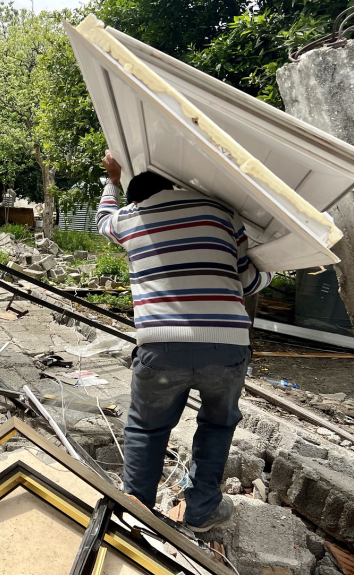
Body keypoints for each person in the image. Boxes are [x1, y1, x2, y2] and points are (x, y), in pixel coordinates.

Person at [97, 151, 272, 532]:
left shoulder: (129, 218)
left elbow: (101, 221)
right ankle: (201, 511)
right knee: (217, 424)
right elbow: (247, 280)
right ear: (174, 186)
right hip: (226, 344)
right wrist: (271, 271)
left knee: (147, 428)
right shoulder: (221, 212)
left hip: (161, 346)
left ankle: (135, 518)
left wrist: (112, 179)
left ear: (135, 198)